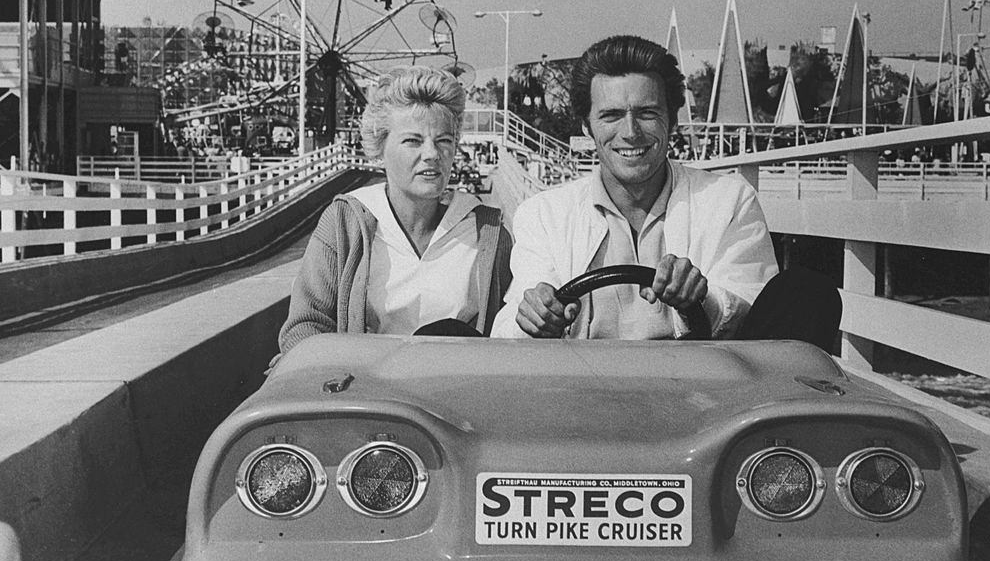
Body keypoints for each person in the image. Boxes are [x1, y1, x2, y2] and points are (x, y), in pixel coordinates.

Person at [490, 35, 840, 348]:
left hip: (701, 395)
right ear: (586, 125)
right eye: (611, 115)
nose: (630, 132)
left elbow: (754, 310)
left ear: (672, 120)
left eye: (647, 113)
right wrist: (533, 316)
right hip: (580, 395)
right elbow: (510, 323)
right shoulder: (543, 213)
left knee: (808, 292)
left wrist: (703, 300)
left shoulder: (730, 200)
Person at [278, 65, 512, 354]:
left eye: (444, 141)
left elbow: (509, 331)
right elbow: (304, 326)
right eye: (413, 141)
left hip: (456, 390)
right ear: (380, 147)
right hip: (368, 390)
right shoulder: (346, 222)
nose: (432, 155)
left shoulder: (487, 232)